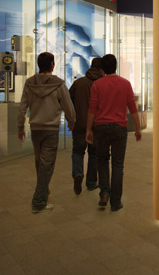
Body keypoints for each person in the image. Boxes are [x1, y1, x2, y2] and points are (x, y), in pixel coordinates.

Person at [18, 52, 76, 213]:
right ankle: (39, 202)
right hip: (51, 129)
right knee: (46, 165)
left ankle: (43, 190)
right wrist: (72, 121)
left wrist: (20, 127)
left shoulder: (30, 83)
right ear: (52, 64)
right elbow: (68, 105)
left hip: (35, 129)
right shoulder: (58, 84)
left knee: (40, 163)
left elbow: (22, 107)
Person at [86, 54, 141, 212]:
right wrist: (137, 128)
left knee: (102, 160)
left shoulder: (97, 85)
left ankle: (104, 193)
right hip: (119, 128)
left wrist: (89, 129)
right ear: (116, 66)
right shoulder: (125, 84)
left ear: (102, 69)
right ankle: (116, 202)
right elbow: (132, 108)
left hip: (100, 128)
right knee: (117, 165)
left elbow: (92, 109)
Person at [69, 57, 103, 195]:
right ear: (101, 69)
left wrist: (71, 119)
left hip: (79, 124)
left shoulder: (79, 83)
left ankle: (78, 174)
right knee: (94, 154)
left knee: (78, 152)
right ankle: (91, 182)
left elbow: (69, 101)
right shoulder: (102, 84)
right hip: (96, 125)